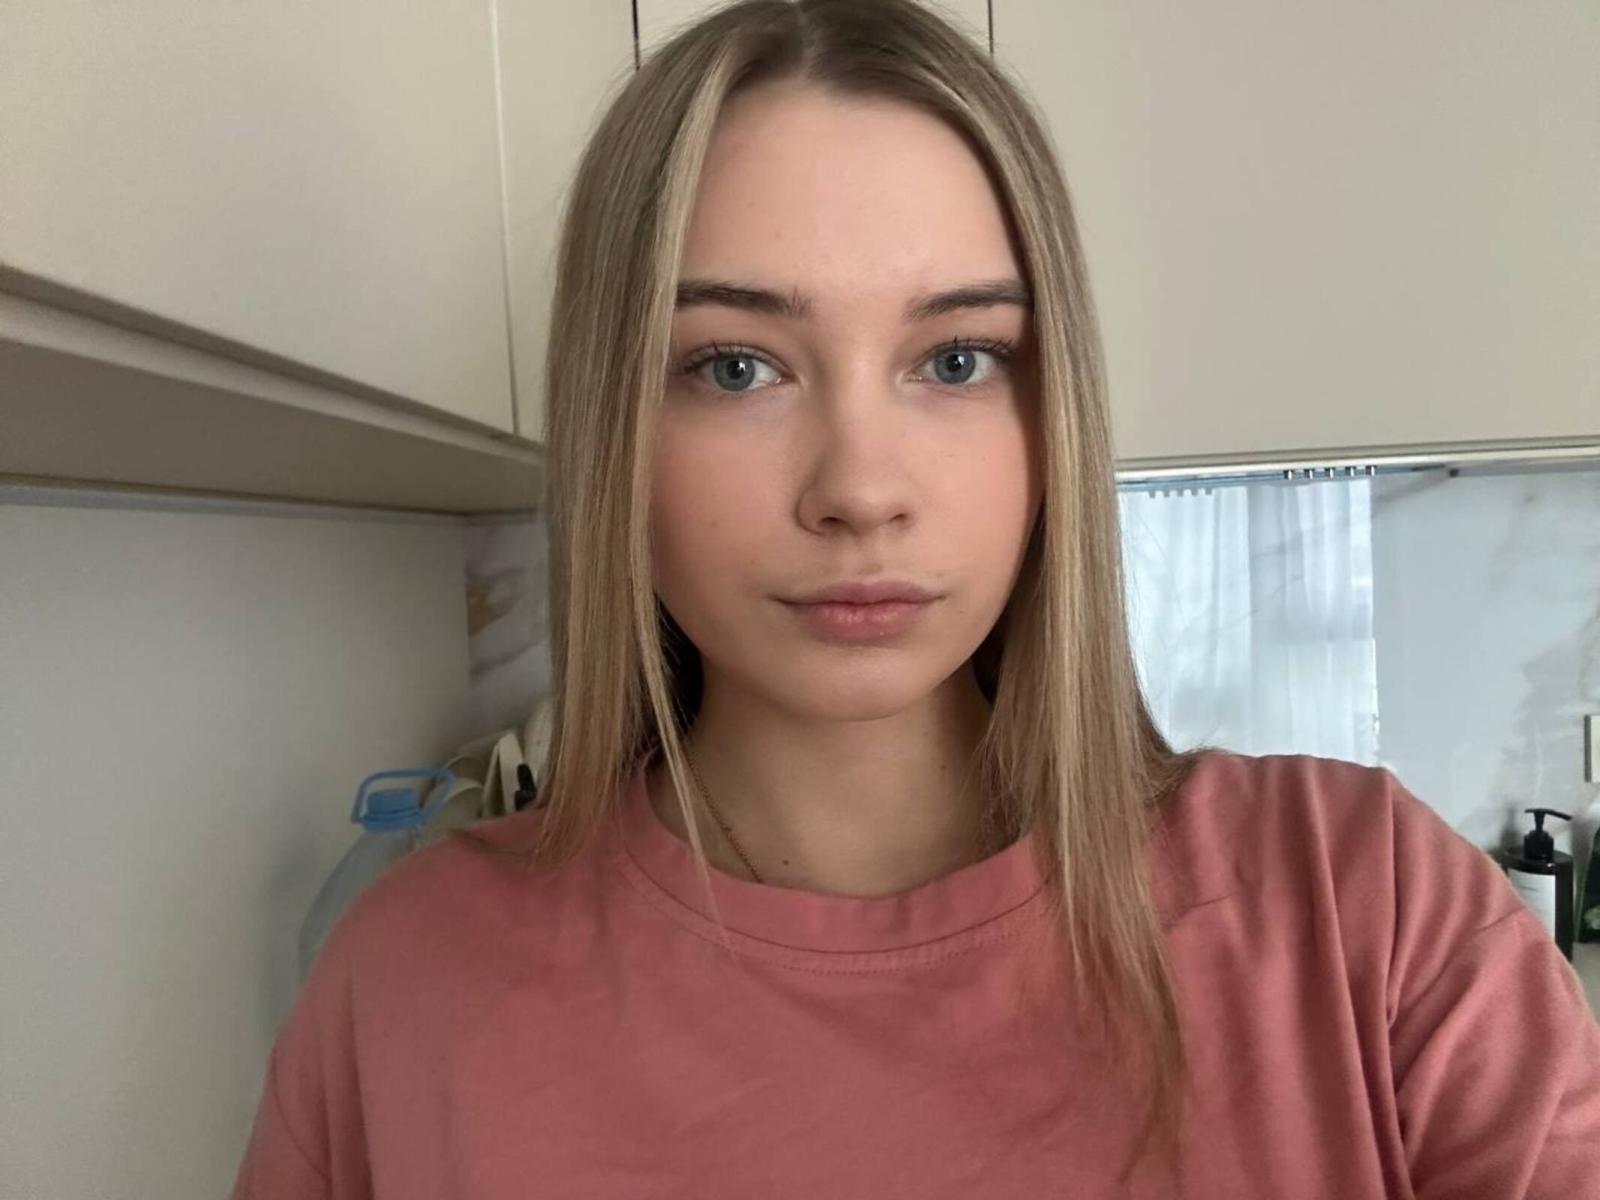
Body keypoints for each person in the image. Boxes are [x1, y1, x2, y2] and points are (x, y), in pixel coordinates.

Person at [230, 1, 1600, 1195]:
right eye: (735, 367)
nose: (859, 489)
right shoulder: (410, 986)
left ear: (1049, 408)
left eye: (956, 362)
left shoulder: (1367, 916)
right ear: (616, 430)